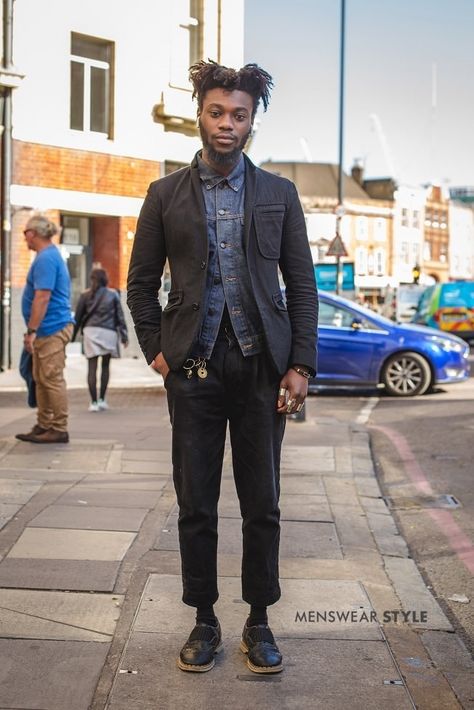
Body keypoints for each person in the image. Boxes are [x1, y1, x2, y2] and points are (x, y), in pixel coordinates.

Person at [127, 60, 318, 675]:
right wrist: (158, 349)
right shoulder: (164, 195)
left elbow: (303, 285)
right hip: (194, 370)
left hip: (263, 370)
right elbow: (139, 286)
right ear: (200, 114)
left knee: (262, 502)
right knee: (197, 504)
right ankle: (204, 619)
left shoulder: (279, 195)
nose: (226, 124)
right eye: (217, 112)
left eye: (239, 114)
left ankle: (259, 619)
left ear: (252, 120)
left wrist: (302, 365)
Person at [15, 215, 74, 444]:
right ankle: (44, 424)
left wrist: (32, 330)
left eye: (25, 233)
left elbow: (42, 296)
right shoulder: (47, 256)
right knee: (41, 378)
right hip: (47, 329)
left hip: (52, 328)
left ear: (33, 233)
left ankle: (59, 427)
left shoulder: (46, 258)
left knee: (51, 378)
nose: (24, 239)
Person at [72, 267, 128, 411]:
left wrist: (71, 338)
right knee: (105, 367)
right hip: (108, 332)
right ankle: (102, 399)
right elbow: (119, 316)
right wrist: (124, 335)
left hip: (90, 332)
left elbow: (77, 318)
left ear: (92, 280)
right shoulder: (113, 294)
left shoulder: (85, 295)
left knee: (92, 367)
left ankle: (94, 402)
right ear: (105, 280)